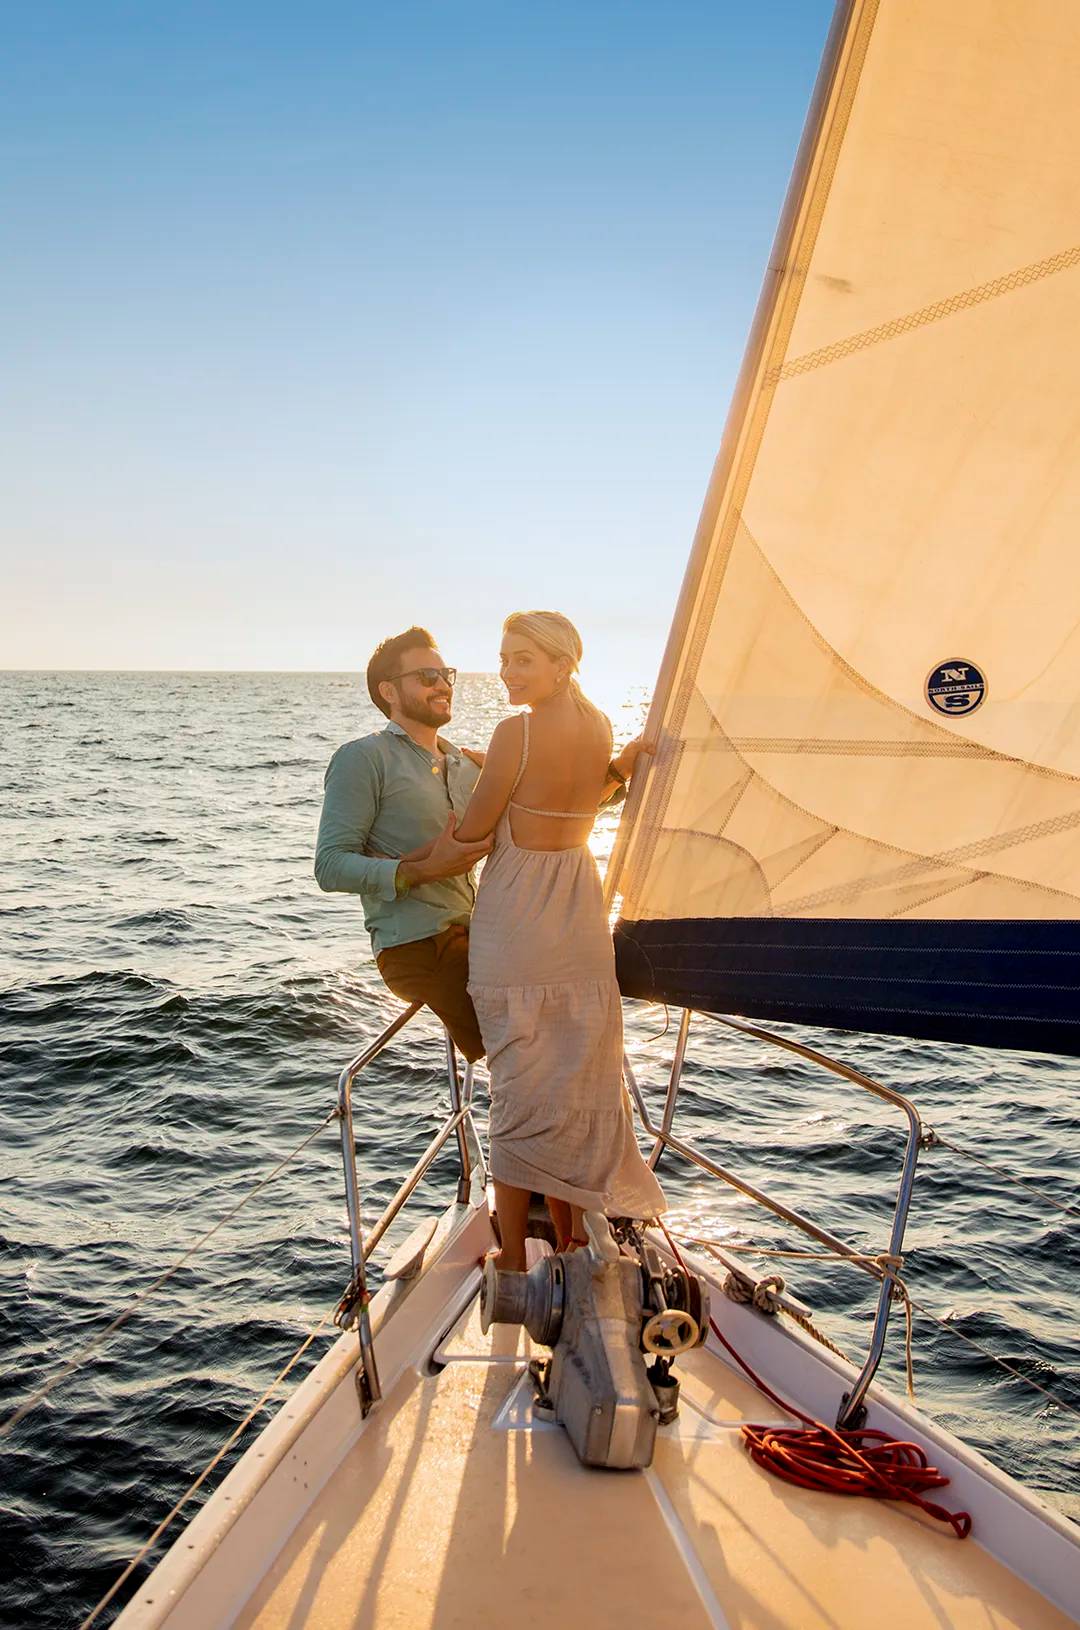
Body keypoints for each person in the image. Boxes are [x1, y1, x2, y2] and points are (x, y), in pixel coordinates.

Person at [450, 610, 667, 1270]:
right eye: (504, 658)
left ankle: (513, 1260)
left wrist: (399, 866)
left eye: (522, 659)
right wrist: (624, 767)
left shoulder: (514, 731)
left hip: (517, 917)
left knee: (516, 1077)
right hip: (577, 910)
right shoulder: (599, 724)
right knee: (572, 1073)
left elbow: (473, 832)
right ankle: (572, 1238)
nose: (508, 672)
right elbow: (585, 795)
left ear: (561, 663)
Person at [314, 627, 493, 1061]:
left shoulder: (466, 764)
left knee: (564, 995)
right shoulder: (363, 757)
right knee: (526, 1039)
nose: (443, 684)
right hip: (417, 948)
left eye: (445, 673)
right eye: (426, 675)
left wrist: (619, 775)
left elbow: (544, 819)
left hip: (477, 939)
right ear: (389, 691)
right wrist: (423, 869)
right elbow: (331, 866)